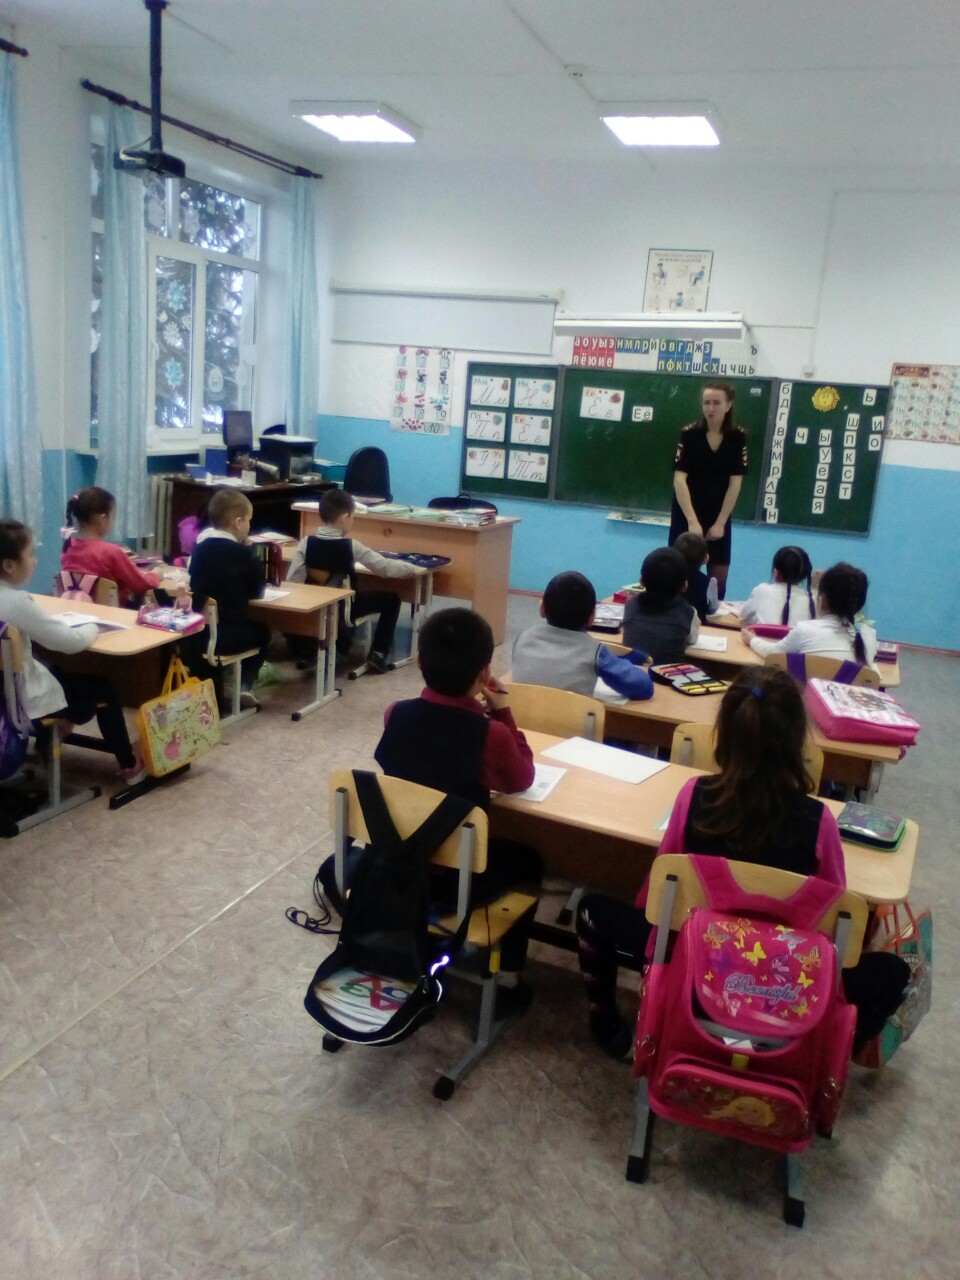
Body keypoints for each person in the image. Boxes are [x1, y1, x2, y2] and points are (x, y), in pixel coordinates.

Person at [575, 666, 908, 1060]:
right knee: (895, 972)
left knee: (591, 910)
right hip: (785, 987)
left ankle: (610, 1031)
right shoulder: (820, 824)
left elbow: (658, 894)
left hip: (695, 972)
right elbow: (836, 925)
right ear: (796, 740)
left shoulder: (692, 797)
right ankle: (826, 1051)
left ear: (725, 734)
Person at [318, 607, 542, 985]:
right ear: (485, 672)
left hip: (395, 865)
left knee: (341, 863)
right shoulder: (491, 735)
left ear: (420, 660)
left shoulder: (395, 713)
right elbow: (522, 778)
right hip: (453, 883)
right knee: (530, 860)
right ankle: (506, 975)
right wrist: (503, 714)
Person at [0, 519, 146, 784]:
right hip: (18, 704)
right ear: (9, 565)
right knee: (100, 688)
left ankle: (47, 742)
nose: (35, 561)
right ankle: (129, 764)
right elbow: (69, 642)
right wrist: (94, 624)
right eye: (31, 554)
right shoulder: (17, 603)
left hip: (7, 697)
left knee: (55, 669)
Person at [287, 489, 417, 673]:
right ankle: (378, 654)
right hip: (345, 607)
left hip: (317, 607)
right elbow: (384, 568)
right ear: (345, 517)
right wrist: (410, 568)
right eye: (353, 517)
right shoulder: (352, 546)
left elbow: (293, 580)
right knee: (392, 600)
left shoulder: (305, 543)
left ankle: (315, 651)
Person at [512, 571, 653, 701]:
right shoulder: (595, 653)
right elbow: (644, 687)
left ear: (542, 609)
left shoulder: (522, 639)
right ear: (592, 618)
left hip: (520, 718)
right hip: (570, 720)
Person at [188, 490, 269, 708]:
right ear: (238, 522)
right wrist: (250, 555)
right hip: (228, 637)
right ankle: (245, 685)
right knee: (263, 631)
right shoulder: (244, 554)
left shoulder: (199, 549)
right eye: (249, 521)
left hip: (197, 635)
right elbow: (258, 592)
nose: (250, 526)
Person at [669, 381, 749, 598]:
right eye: (706, 403)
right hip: (687, 511)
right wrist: (692, 521)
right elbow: (679, 480)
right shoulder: (690, 434)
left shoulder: (737, 437)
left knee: (718, 583)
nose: (710, 408)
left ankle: (712, 616)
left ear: (728, 405)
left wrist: (721, 522)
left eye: (716, 403)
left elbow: (735, 483)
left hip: (718, 513)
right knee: (678, 577)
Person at [743, 561, 877, 670]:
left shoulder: (805, 630)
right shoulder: (868, 637)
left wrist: (752, 640)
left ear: (822, 599)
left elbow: (772, 654)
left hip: (806, 695)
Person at [61, 486, 163, 607]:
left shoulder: (68, 547)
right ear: (102, 519)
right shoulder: (111, 552)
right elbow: (142, 585)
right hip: (111, 614)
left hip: (75, 611)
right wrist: (155, 575)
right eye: (113, 517)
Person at [622, 547, 699, 664]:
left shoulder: (630, 605)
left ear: (641, 581)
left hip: (631, 672)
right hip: (667, 674)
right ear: (684, 586)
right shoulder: (688, 612)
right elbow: (692, 640)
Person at [740, 545, 816, 627]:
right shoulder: (813, 601)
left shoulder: (762, 591)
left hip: (762, 635)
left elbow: (743, 619)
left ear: (775, 572)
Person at [672, 531, 719, 624]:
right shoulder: (709, 582)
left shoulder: (666, 575)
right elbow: (712, 609)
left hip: (668, 623)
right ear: (706, 558)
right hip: (697, 626)